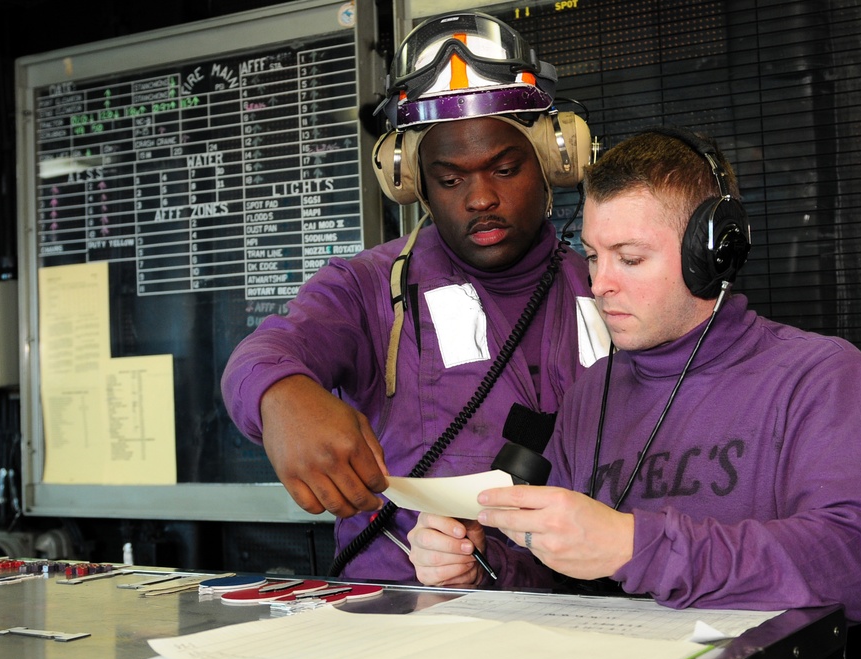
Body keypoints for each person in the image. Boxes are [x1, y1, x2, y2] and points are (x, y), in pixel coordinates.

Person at [407, 127, 861, 623]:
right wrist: (481, 566)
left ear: (709, 255)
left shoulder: (821, 377)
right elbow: (558, 576)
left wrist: (633, 544)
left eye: (631, 258)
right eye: (595, 257)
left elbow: (853, 565)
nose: (600, 284)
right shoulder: (592, 394)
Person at [220, 11, 608, 583]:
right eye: (450, 179)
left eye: (504, 168)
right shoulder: (370, 287)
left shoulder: (607, 288)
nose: (480, 198)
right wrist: (280, 396)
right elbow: (265, 352)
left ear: (552, 160)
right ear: (414, 183)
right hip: (405, 616)